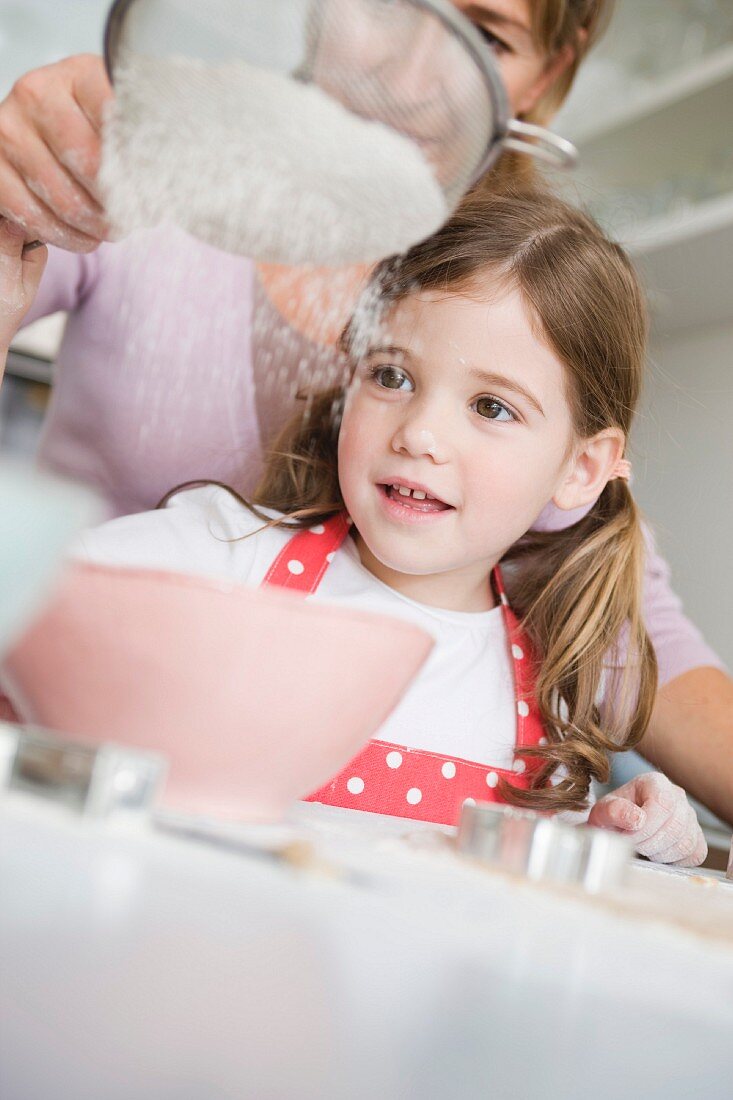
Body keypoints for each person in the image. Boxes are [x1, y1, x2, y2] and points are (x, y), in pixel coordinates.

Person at [0, 0, 730, 830]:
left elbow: (634, 642)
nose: (412, 77)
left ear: (547, 77)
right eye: (391, 7)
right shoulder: (170, 161)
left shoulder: (522, 282)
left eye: (485, 37)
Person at [59, 190, 702, 863]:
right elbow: (26, 595)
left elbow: (509, 905)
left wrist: (614, 841)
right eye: (391, 375)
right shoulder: (222, 554)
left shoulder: (549, 698)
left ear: (580, 467)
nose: (420, 433)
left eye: (490, 407)